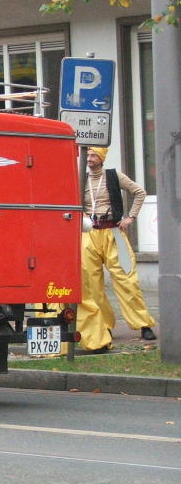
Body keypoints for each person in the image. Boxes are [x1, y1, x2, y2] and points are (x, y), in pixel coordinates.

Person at [78, 146, 157, 352]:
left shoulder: (114, 176)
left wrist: (131, 217)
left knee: (126, 279)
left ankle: (143, 324)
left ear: (102, 158)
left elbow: (139, 192)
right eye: (89, 155)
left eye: (94, 155)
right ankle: (103, 325)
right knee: (90, 283)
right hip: (89, 234)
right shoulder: (81, 178)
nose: (90, 158)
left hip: (113, 232)